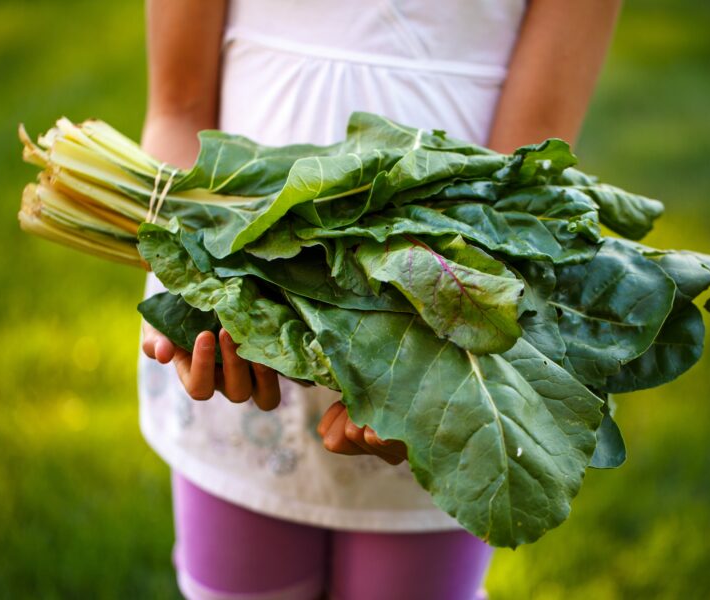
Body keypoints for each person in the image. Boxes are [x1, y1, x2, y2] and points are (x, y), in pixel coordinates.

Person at [139, 1, 621, 598]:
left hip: (440, 342)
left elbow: (516, 191)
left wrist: (435, 391)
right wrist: (191, 275)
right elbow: (177, 108)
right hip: (239, 325)